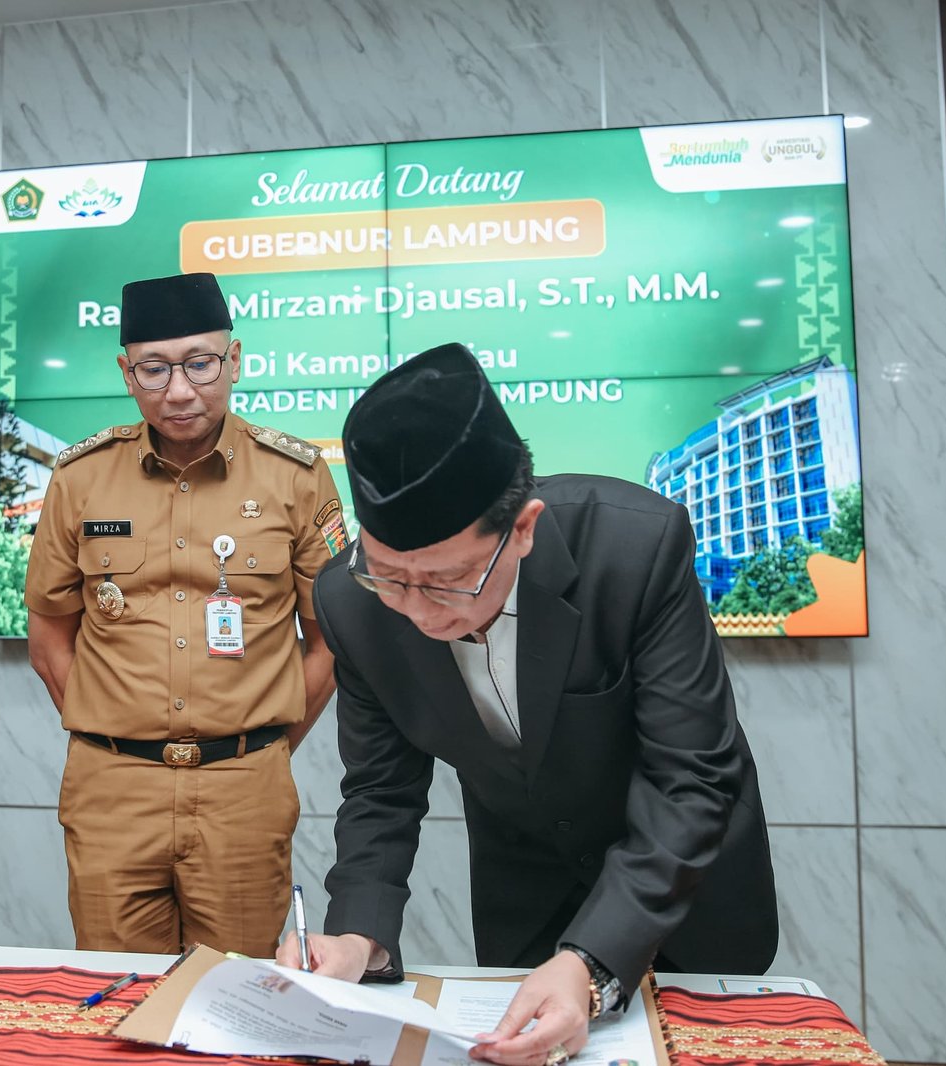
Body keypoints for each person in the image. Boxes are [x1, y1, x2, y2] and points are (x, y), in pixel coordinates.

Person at [277, 344, 777, 1066]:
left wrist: (590, 961)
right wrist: (359, 935)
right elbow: (381, 789)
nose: (418, 611)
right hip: (527, 898)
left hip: (683, 892)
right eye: (389, 577)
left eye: (448, 580)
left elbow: (693, 778)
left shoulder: (633, 547)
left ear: (523, 528)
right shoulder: (351, 602)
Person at [24, 272, 342, 957]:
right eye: (154, 368)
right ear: (126, 373)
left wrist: (265, 750)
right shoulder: (80, 477)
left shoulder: (295, 475)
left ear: (235, 359)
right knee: (120, 998)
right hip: (112, 790)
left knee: (238, 998)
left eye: (200, 363)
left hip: (243, 790)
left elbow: (332, 640)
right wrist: (109, 729)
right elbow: (49, 636)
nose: (178, 390)